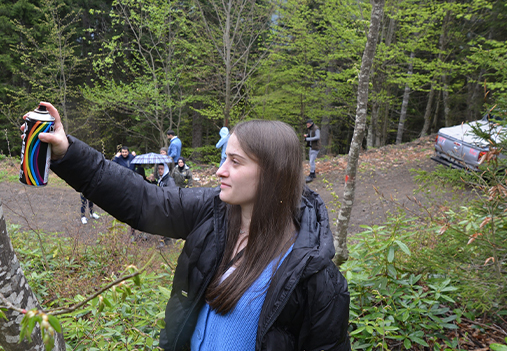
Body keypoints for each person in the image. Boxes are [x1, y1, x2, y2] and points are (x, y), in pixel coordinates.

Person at [35, 102, 350, 351]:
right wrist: (68, 153)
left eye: (235, 162)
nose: (220, 171)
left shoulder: (313, 274)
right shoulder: (214, 212)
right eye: (224, 158)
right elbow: (144, 201)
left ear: (272, 173)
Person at [303, 119, 321, 183]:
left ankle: (311, 174)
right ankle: (313, 174)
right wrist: (307, 135)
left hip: (315, 147)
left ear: (311, 124)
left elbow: (317, 137)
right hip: (311, 147)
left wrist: (308, 139)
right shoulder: (310, 129)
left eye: (308, 125)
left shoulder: (316, 129)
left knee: (311, 161)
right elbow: (311, 134)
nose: (307, 126)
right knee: (311, 161)